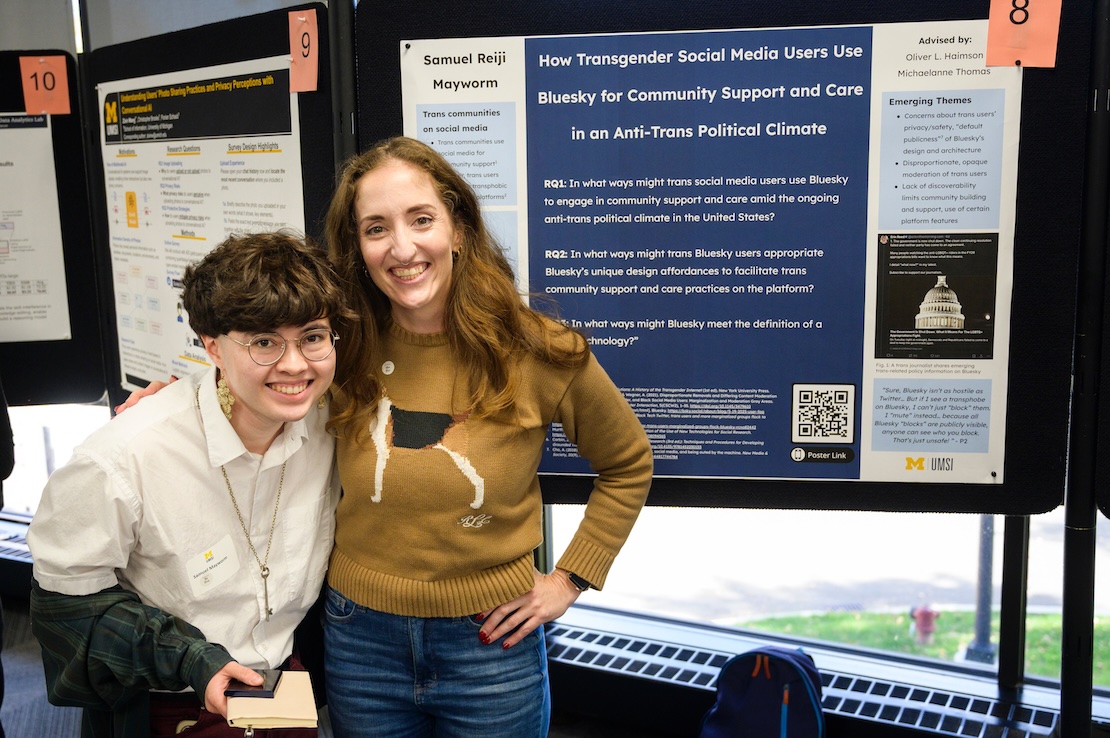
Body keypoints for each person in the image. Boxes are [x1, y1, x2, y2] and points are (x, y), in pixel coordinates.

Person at [320, 136, 653, 738]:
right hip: (358, 637)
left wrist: (570, 578)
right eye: (376, 228)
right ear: (357, 247)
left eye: (421, 220)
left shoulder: (539, 351)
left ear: (460, 229)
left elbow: (628, 464)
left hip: (489, 639)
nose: (402, 247)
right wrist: (177, 402)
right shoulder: (337, 347)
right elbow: (261, 384)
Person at [27, 232, 352, 738]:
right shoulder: (125, 457)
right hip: (171, 706)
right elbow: (62, 606)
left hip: (283, 693)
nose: (295, 364)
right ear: (213, 347)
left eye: (312, 336)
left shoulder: (334, 424)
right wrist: (190, 659)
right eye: (264, 342)